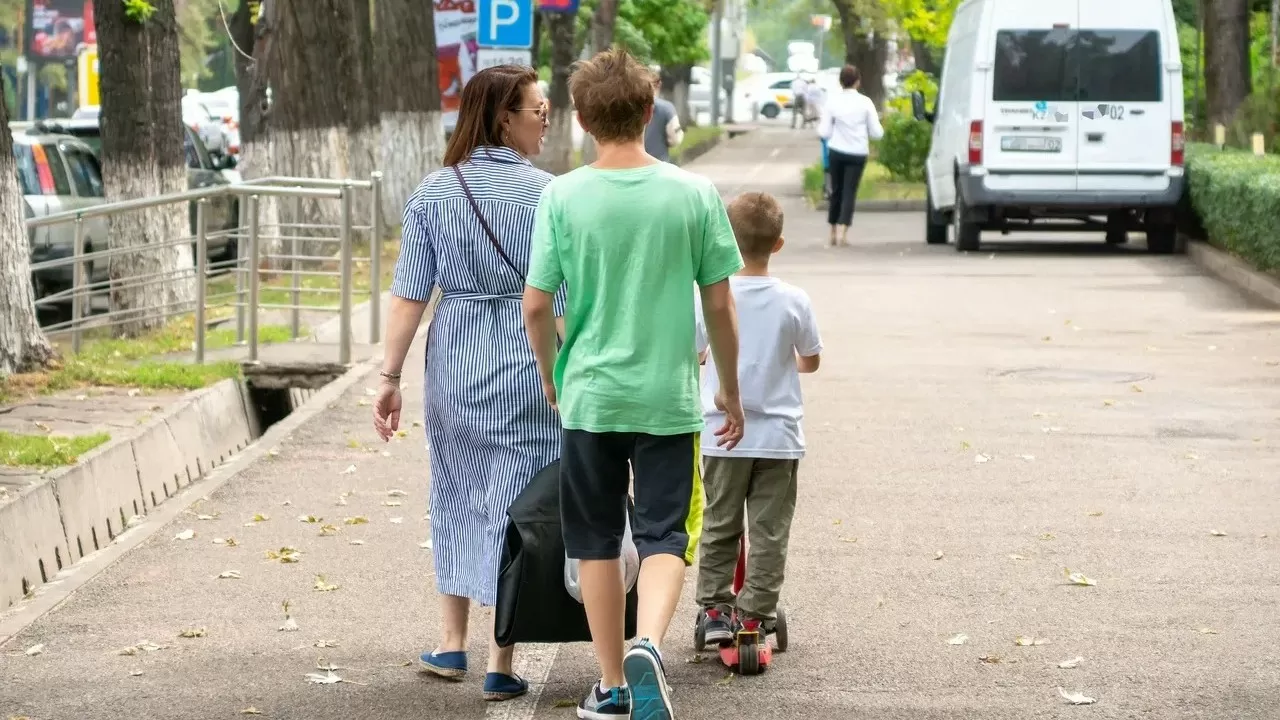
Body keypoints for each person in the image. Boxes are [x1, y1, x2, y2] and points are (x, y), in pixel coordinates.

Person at [522, 48, 746, 720]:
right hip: (667, 398)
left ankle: (614, 683)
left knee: (592, 538)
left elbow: (535, 305)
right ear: (650, 112)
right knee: (664, 535)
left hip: (590, 393)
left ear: (583, 120)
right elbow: (721, 306)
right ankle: (649, 640)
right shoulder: (693, 195)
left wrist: (552, 374)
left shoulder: (561, 195)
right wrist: (728, 391)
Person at [372, 64, 562, 703]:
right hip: (530, 363)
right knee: (521, 505)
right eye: (538, 108)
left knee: (455, 494)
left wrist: (390, 377)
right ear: (504, 117)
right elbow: (563, 298)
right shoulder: (550, 195)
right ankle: (499, 657)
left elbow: (409, 297)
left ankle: (450, 642)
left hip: (453, 362)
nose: (546, 118)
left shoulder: (435, 192)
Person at [692, 191, 822, 647]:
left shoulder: (710, 296)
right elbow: (810, 360)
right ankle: (755, 614)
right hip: (778, 440)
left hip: (721, 435)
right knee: (769, 530)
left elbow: (695, 352)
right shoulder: (794, 300)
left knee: (720, 524)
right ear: (779, 244)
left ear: (726, 238)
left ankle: (713, 608)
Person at [818, 64, 883, 247]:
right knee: (849, 192)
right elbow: (877, 132)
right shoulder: (865, 103)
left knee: (836, 191)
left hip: (837, 151)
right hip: (858, 152)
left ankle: (832, 231)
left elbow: (823, 131)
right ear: (858, 82)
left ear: (840, 81)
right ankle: (844, 233)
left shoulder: (832, 102)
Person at [643, 76, 684, 163]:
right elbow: (675, 138)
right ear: (659, 84)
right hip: (658, 161)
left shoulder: (627, 105)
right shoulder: (666, 108)